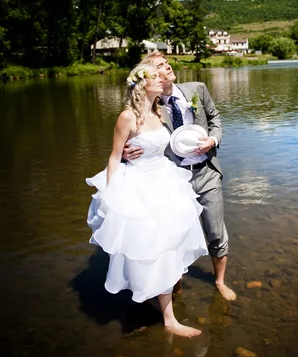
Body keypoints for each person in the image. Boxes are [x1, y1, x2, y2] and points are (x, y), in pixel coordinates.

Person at [86, 63, 208, 338]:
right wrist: (111, 193)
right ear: (141, 84)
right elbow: (115, 156)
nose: (161, 79)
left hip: (164, 181)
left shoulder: (159, 111)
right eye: (154, 77)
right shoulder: (128, 117)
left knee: (169, 245)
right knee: (150, 248)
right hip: (139, 187)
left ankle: (165, 309)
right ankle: (167, 318)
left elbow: (167, 142)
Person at [123, 51, 236, 301]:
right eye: (161, 66)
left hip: (207, 172)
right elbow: (135, 136)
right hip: (173, 179)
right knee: (174, 236)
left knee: (215, 232)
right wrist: (128, 152)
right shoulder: (149, 106)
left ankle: (219, 281)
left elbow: (215, 117)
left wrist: (213, 139)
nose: (168, 67)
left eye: (167, 63)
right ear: (151, 77)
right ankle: (175, 286)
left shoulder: (197, 88)